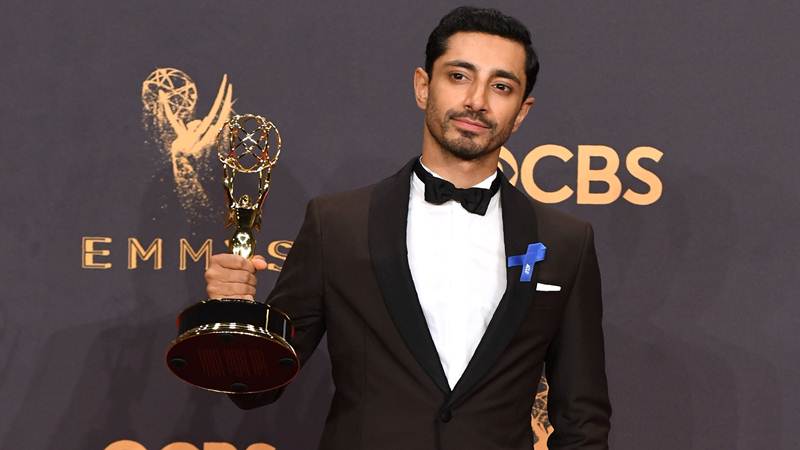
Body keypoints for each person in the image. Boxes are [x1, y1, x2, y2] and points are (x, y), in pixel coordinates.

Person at [204, 6, 611, 450]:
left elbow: (582, 418)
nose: (477, 99)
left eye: (501, 86)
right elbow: (259, 389)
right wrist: (235, 317)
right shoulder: (337, 224)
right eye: (459, 76)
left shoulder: (564, 242)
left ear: (521, 111)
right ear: (423, 87)